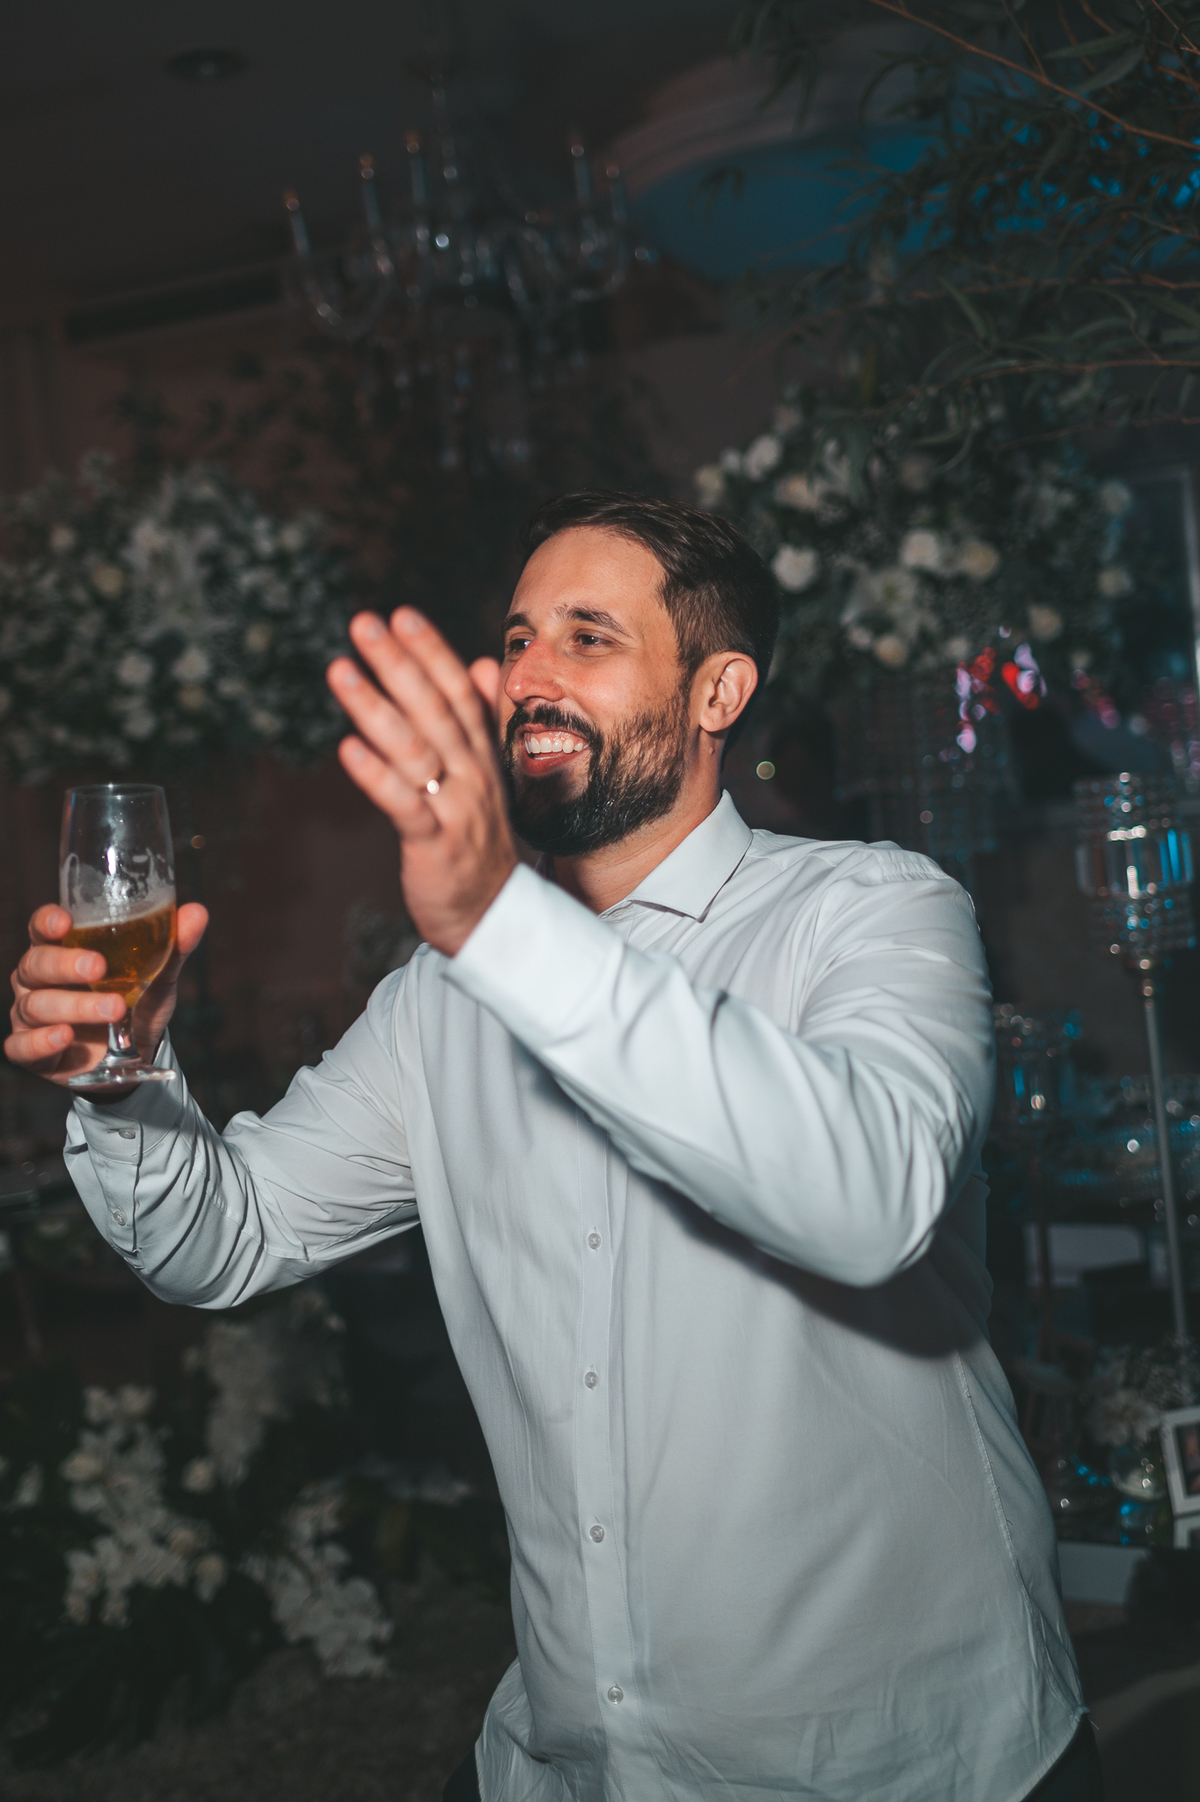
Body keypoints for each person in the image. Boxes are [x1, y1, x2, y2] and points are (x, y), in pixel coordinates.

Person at [9, 493, 1098, 1802]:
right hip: (570, 1758)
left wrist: (499, 923)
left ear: (717, 691)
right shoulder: (439, 1000)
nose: (529, 674)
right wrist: (125, 1077)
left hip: (903, 1757)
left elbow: (870, 1195)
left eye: (589, 636)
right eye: (518, 638)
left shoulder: (871, 908)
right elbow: (219, 1239)